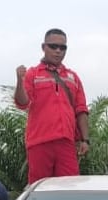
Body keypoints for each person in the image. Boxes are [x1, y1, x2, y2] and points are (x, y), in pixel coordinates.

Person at [14, 28, 90, 184]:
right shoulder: (32, 74)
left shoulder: (73, 77)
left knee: (70, 188)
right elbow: (22, 103)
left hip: (66, 142)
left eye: (63, 47)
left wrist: (85, 140)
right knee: (40, 189)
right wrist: (19, 82)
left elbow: (81, 110)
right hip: (40, 142)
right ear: (43, 47)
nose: (58, 51)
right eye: (53, 46)